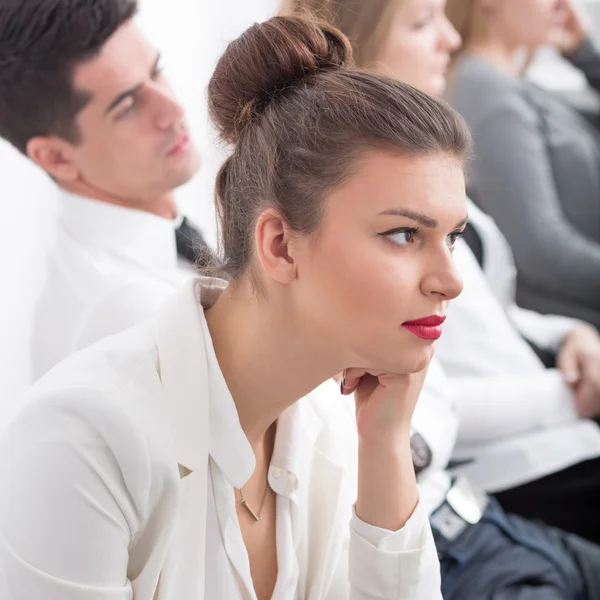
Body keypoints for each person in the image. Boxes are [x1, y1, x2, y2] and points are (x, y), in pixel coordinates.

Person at [0, 13, 474, 600]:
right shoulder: (81, 441)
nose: (451, 282)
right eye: (403, 234)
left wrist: (387, 447)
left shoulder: (331, 432)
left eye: (452, 236)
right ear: (278, 245)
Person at [286, 0, 600, 597]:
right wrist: (569, 396)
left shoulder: (428, 176)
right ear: (357, 42)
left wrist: (568, 335)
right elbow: (429, 401)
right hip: (514, 469)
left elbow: (493, 315)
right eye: (423, 22)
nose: (450, 38)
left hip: (523, 466)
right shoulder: (347, 225)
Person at [0, 0, 209, 381]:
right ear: (55, 157)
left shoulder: (167, 223)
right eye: (127, 106)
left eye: (156, 71)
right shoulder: (132, 320)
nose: (173, 108)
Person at [444, 0, 600, 328]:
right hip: (572, 328)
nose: (564, 5)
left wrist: (585, 54)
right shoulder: (488, 91)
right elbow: (542, 253)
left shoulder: (513, 84)